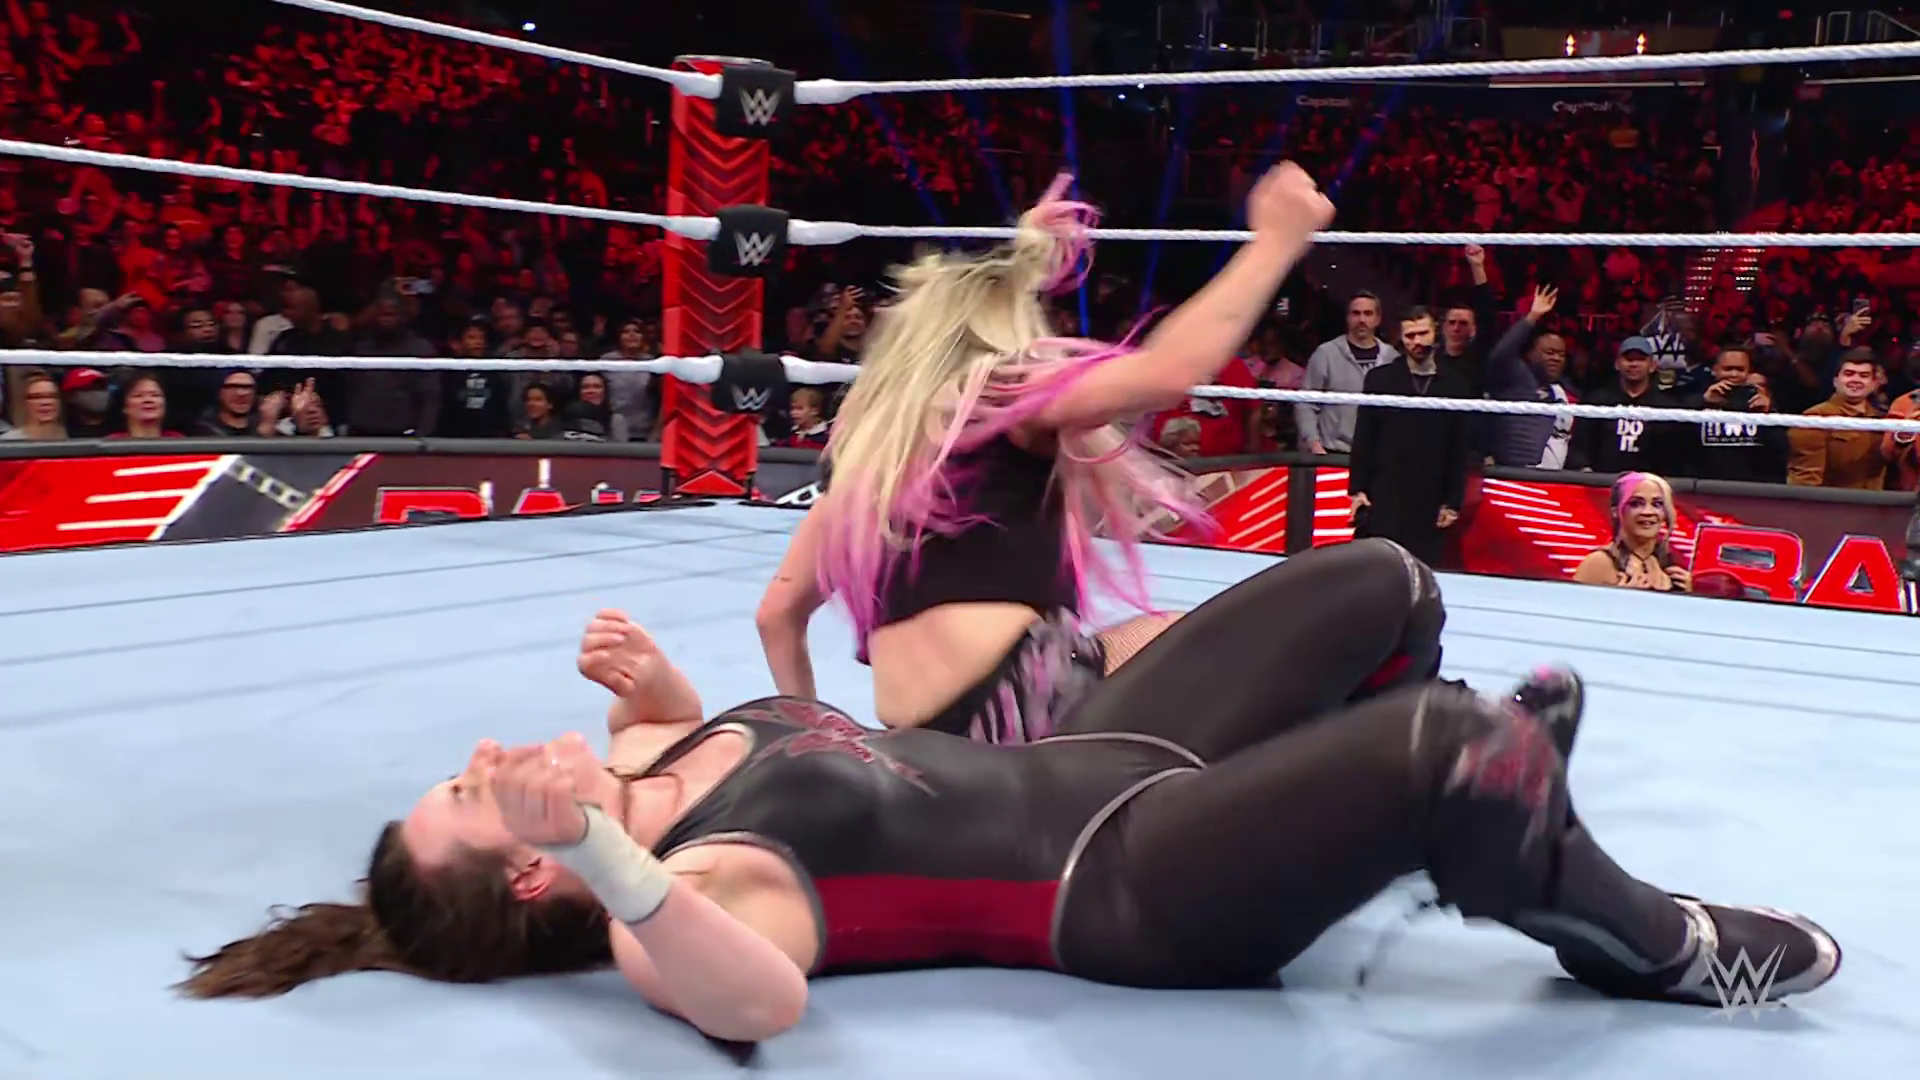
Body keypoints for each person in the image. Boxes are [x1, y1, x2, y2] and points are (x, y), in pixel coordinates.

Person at [179, 608, 1840, 1042]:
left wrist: (652, 688)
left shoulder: (649, 758)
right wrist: (618, 860)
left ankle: (1466, 815)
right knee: (1454, 748)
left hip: (1123, 752)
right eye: (478, 794)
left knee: (1384, 588)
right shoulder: (677, 896)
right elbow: (757, 1002)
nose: (485, 754)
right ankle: (1640, 940)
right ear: (540, 867)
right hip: (1122, 886)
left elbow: (678, 740)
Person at [757, 163, 1337, 742]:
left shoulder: (867, 461)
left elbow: (777, 615)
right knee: (1244, 640)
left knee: (1158, 639)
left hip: (920, 741)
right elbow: (1168, 372)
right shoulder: (994, 392)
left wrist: (818, 739)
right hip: (1025, 696)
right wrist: (1275, 245)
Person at [1347, 308, 1475, 568]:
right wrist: (1357, 489)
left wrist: (1453, 501)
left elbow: (1459, 448)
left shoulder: (1456, 384)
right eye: (1410, 336)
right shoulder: (1380, 379)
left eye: (1423, 333)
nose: (1417, 341)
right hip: (1386, 492)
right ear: (1401, 338)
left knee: (1424, 568)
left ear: (1435, 332)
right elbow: (1364, 437)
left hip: (1430, 493)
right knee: (1379, 567)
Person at [1571, 472, 1693, 592]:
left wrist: (1687, 595)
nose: (1647, 512)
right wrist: (1623, 598)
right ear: (1615, 511)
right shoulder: (1599, 563)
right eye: (1635, 504)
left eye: (1657, 504)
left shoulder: (1669, 563)